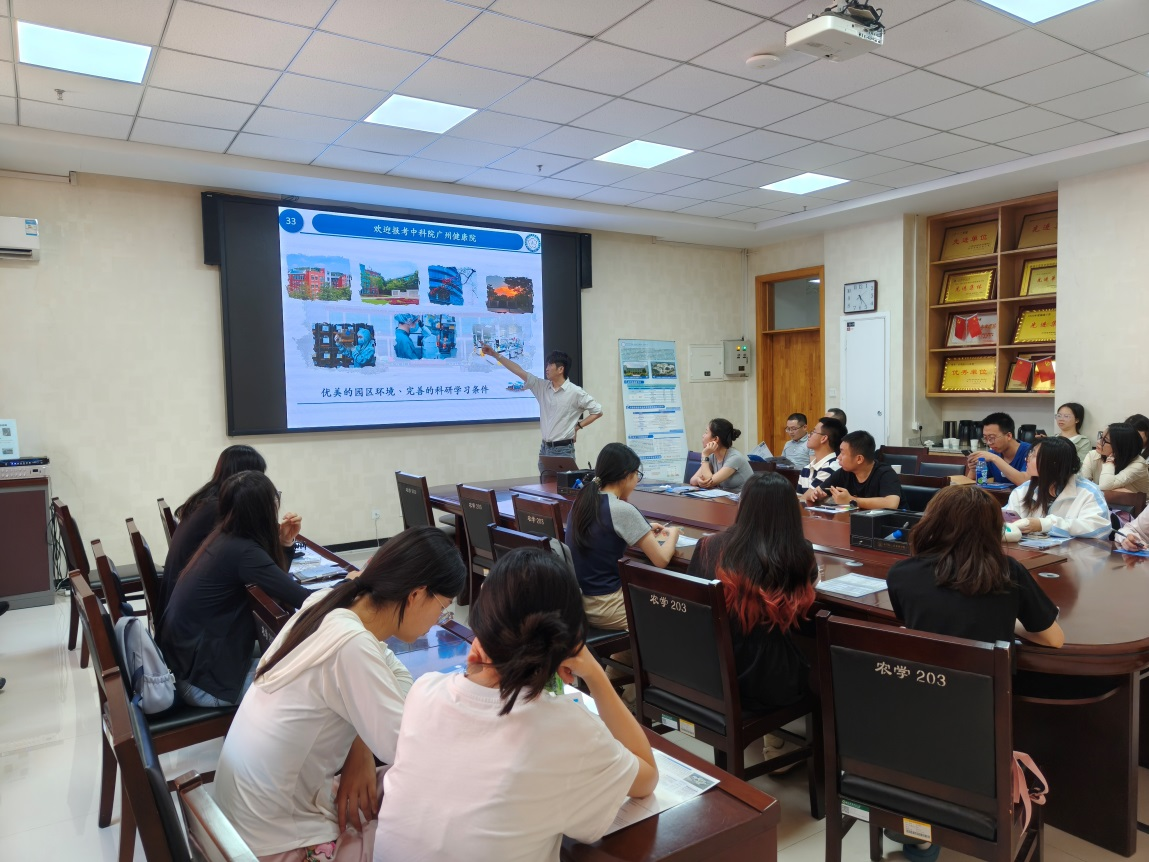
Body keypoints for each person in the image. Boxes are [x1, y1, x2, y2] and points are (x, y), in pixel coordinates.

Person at [373, 548, 658, 862]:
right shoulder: (564, 727)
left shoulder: (425, 691)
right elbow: (646, 779)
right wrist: (594, 673)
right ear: (568, 639)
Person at [214, 527, 465, 862]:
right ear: (417, 595)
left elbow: (393, 672)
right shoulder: (352, 645)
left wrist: (360, 737)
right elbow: (406, 749)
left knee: (397, 792)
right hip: (273, 844)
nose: (438, 621)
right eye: (443, 607)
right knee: (427, 829)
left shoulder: (326, 604)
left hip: (243, 822)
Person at [160, 471, 310, 708]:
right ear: (264, 509)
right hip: (204, 685)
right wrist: (356, 583)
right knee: (313, 681)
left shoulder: (223, 537)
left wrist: (285, 543)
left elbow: (277, 582)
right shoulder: (244, 552)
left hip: (187, 667)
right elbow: (304, 599)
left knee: (298, 658)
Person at [687, 473, 817, 713]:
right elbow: (800, 604)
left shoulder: (708, 546)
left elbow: (694, 605)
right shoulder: (799, 551)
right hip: (767, 678)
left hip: (708, 669)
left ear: (743, 505)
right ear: (790, 511)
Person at [888, 484, 1063, 646]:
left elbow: (921, 620)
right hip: (989, 670)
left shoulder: (901, 573)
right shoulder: (1007, 570)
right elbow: (1054, 640)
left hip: (927, 669)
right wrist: (1010, 620)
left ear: (931, 522)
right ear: (993, 529)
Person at [159, 445, 282, 624]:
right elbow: (257, 558)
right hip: (196, 619)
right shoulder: (219, 512)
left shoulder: (206, 500)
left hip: (178, 608)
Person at [565, 443, 678, 630]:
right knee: (671, 613)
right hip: (607, 606)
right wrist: (673, 533)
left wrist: (642, 528)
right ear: (626, 475)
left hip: (580, 603)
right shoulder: (622, 509)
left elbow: (602, 532)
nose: (637, 481)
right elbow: (662, 560)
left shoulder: (582, 501)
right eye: (637, 475)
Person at [482, 345, 602, 470]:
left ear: (560, 369)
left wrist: (577, 427)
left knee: (562, 483)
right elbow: (518, 371)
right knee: (544, 482)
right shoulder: (542, 386)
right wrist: (495, 354)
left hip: (563, 450)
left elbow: (597, 411)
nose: (547, 368)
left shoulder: (575, 392)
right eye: (547, 365)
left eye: (550, 365)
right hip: (545, 449)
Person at [1002, 438, 1109, 539]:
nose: (1027, 459)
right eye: (1030, 454)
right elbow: (1005, 518)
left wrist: (1045, 525)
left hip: (1073, 551)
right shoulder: (1023, 490)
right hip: (1028, 550)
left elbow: (1100, 528)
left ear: (1054, 463)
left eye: (1034, 455)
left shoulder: (1088, 492)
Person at [802, 430, 901, 510]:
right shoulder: (844, 472)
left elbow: (891, 503)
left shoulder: (885, 473)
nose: (838, 457)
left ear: (859, 459)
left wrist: (851, 500)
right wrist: (816, 496)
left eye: (842, 453)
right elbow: (815, 492)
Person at [1079, 422, 1149, 492]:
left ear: (1120, 446)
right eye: (1101, 437)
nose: (1098, 441)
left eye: (1105, 440)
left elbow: (1105, 485)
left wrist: (1109, 462)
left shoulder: (1138, 465)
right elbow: (1081, 484)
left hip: (1135, 499)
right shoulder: (1093, 455)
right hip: (1104, 498)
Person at [966, 412, 1031, 485]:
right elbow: (969, 485)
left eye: (992, 437)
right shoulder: (993, 453)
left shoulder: (1031, 452)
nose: (989, 443)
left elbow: (1024, 482)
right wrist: (973, 470)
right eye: (985, 438)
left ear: (1009, 436)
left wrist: (995, 458)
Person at [690, 418, 753, 491]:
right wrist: (698, 480)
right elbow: (692, 480)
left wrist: (704, 455)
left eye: (706, 432)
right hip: (726, 497)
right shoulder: (712, 456)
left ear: (715, 439)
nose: (703, 436)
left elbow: (710, 482)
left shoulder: (735, 458)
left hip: (744, 497)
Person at [796, 416, 844, 495]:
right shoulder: (806, 469)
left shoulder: (832, 466)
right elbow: (799, 498)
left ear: (823, 438)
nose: (809, 435)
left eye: (813, 432)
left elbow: (809, 498)